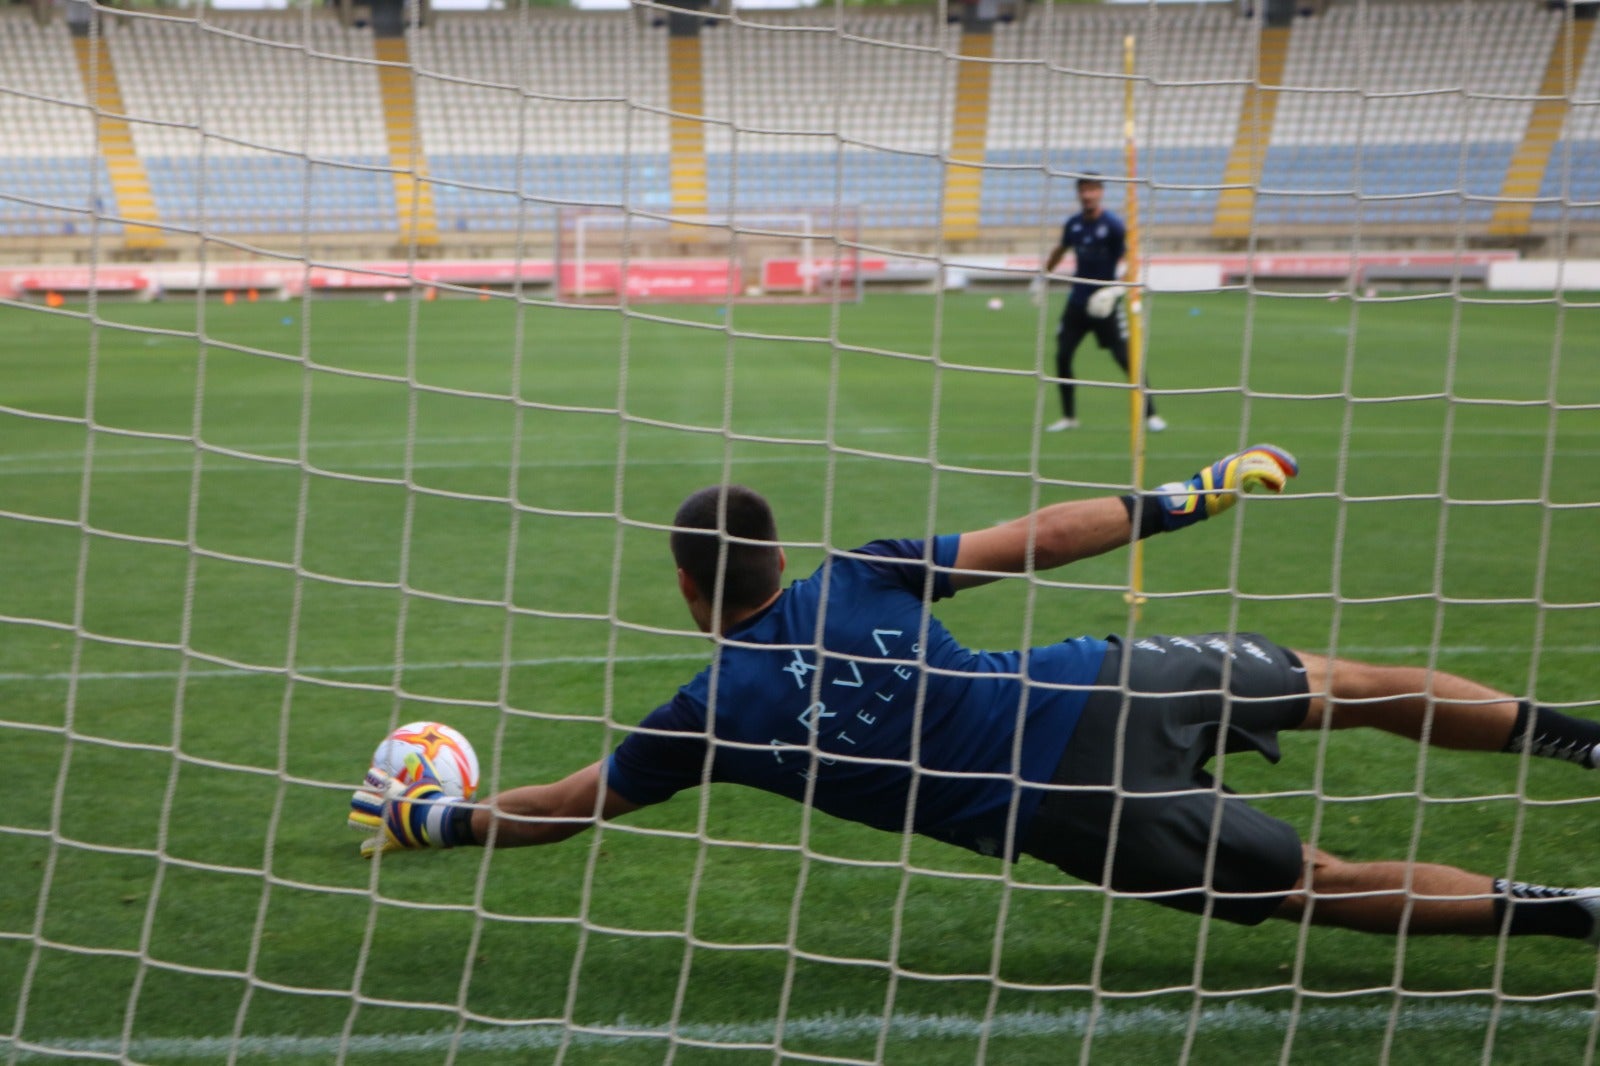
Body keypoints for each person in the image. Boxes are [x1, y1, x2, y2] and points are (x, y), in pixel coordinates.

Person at [352, 445, 1600, 943]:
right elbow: (1040, 537)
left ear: (688, 587)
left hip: (1066, 807)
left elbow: (568, 805)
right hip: (1105, 677)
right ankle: (1581, 739)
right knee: (1354, 684)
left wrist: (440, 818)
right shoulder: (862, 571)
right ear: (780, 557)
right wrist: (1195, 492)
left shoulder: (704, 716)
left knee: (1316, 882)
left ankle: (1573, 912)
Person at [1040, 174, 1165, 434]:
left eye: (1092, 190)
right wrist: (1043, 274)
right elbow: (1060, 249)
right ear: (1078, 193)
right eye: (1083, 190)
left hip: (1106, 304)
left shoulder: (1114, 226)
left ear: (1100, 193)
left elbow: (1132, 261)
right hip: (1078, 302)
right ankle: (1068, 417)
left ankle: (1151, 414)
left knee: (1127, 358)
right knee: (1062, 356)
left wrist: (1117, 289)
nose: (1087, 195)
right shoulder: (1073, 225)